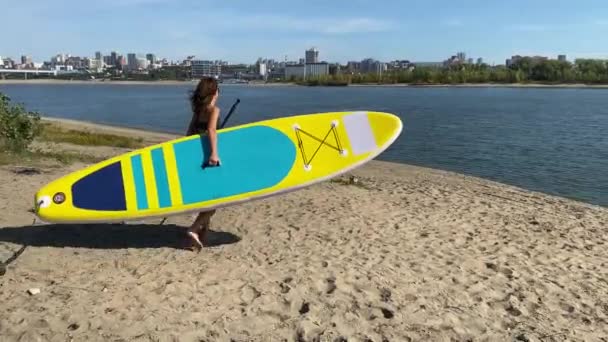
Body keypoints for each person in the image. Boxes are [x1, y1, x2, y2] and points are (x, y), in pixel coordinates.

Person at [185, 77, 221, 251]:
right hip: (209, 160)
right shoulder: (214, 110)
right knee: (214, 202)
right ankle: (193, 229)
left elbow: (189, 133)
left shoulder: (198, 111)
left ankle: (203, 233)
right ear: (215, 92)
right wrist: (214, 153)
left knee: (209, 196)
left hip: (197, 159)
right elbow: (211, 130)